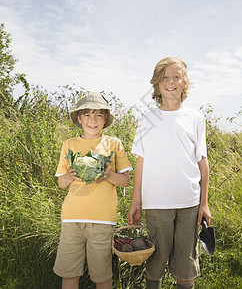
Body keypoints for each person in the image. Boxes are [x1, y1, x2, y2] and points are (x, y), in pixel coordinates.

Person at [128, 57, 211, 289]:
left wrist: (204, 204)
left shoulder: (195, 118)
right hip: (157, 203)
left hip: (189, 203)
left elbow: (202, 163)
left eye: (176, 76)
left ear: (185, 82)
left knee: (186, 265)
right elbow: (140, 163)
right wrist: (136, 200)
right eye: (165, 77)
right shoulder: (147, 120)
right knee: (155, 262)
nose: (171, 82)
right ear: (157, 83)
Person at [53, 92, 132, 289]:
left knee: (102, 276)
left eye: (98, 115)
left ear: (105, 119)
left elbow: (125, 181)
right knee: (69, 273)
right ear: (79, 118)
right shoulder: (69, 145)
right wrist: (70, 176)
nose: (92, 120)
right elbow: (61, 183)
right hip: (72, 218)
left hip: (103, 220)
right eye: (87, 114)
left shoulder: (114, 144)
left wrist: (107, 176)